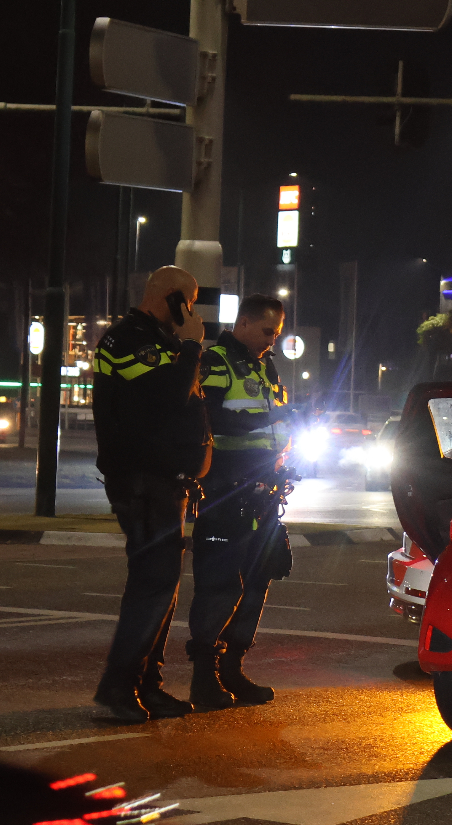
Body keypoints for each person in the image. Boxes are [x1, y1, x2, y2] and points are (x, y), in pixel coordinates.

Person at [91, 265, 211, 723]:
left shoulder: (163, 342)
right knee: (152, 584)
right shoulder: (126, 340)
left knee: (162, 587)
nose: (193, 311)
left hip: (167, 481)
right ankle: (119, 688)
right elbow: (163, 400)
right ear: (174, 297)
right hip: (142, 480)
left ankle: (146, 684)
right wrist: (192, 346)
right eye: (190, 300)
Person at [187, 293, 293, 708]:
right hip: (226, 487)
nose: (272, 340)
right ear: (243, 323)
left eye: (277, 333)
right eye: (267, 331)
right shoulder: (216, 361)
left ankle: (232, 668)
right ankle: (204, 677)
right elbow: (212, 415)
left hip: (264, 487)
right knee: (220, 584)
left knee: (258, 579)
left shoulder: (265, 365)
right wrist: (276, 418)